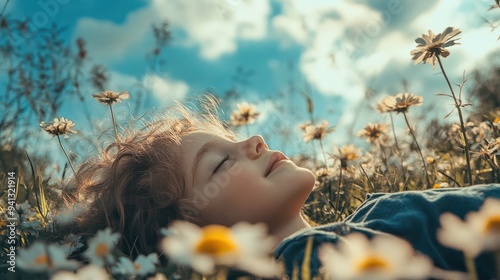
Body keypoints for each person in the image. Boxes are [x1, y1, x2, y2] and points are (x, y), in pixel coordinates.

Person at [61, 96, 500, 279]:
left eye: (236, 138)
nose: (255, 141)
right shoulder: (304, 260)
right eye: (218, 165)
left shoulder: (367, 218)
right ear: (187, 235)